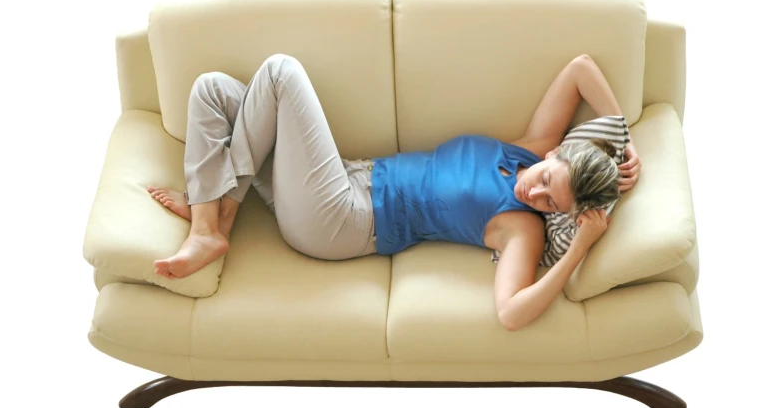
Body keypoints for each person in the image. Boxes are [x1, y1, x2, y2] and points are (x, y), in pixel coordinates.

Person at [148, 53, 642, 330]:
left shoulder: (520, 228)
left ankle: (209, 222)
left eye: (552, 205)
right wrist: (628, 142)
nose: (536, 196)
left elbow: (511, 314)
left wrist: (578, 246)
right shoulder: (529, 151)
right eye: (546, 183)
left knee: (280, 71)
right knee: (211, 90)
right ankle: (214, 209)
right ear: (553, 156)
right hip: (342, 176)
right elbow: (580, 69)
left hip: (343, 219)